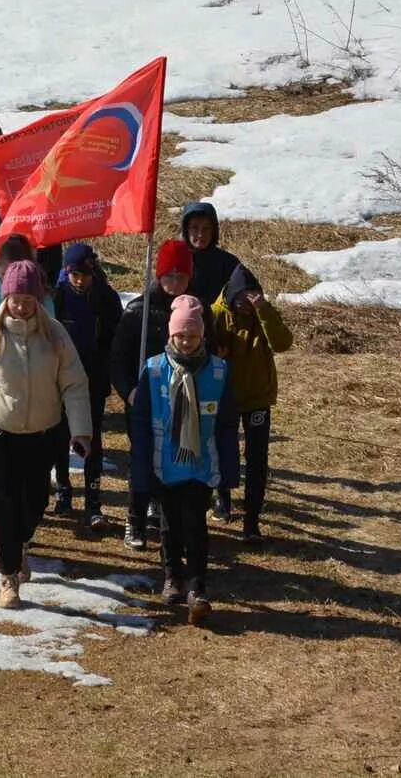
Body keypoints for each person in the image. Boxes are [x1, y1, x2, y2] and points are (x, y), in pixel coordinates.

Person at [0, 258, 94, 609]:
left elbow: (75, 384)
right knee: (4, 503)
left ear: (38, 299)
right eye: (15, 299)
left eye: (27, 300)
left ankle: (22, 542)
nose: (20, 306)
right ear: (5, 298)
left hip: (43, 432)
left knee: (35, 502)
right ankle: (9, 576)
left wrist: (81, 431)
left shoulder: (56, 335)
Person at [107, 238, 213, 550]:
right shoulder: (138, 311)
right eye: (169, 276)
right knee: (141, 459)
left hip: (184, 400)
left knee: (174, 457)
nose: (175, 283)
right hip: (144, 399)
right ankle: (134, 519)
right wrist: (128, 393)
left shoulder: (200, 312)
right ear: (159, 275)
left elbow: (213, 354)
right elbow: (118, 358)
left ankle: (163, 511)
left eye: (181, 277)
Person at [128, 294, 229, 622]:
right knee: (170, 525)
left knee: (196, 525)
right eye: (180, 336)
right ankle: (172, 576)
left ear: (203, 336)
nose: (186, 342)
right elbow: (141, 420)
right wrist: (142, 466)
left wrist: (228, 468)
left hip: (200, 464)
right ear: (170, 336)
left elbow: (228, 423)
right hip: (165, 463)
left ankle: (197, 585)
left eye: (192, 336)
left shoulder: (217, 372)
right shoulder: (155, 369)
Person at [209, 264, 290, 540]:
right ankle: (222, 498)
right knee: (223, 450)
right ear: (232, 296)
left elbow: (282, 343)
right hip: (225, 395)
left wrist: (264, 310)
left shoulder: (262, 313)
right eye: (242, 299)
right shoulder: (216, 313)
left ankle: (252, 520)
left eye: (252, 298)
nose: (246, 305)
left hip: (257, 396)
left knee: (257, 457)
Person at [51, 244, 123, 526]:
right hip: (61, 380)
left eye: (85, 274)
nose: (80, 280)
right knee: (59, 436)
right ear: (67, 272)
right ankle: (64, 490)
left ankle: (94, 501)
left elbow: (115, 338)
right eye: (75, 274)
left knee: (91, 438)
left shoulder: (106, 298)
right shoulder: (57, 297)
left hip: (93, 378)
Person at [178, 201, 241, 306]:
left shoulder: (228, 262)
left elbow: (244, 288)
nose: (200, 234)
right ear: (186, 230)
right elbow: (159, 290)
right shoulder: (176, 258)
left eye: (206, 229)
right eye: (195, 228)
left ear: (213, 231)